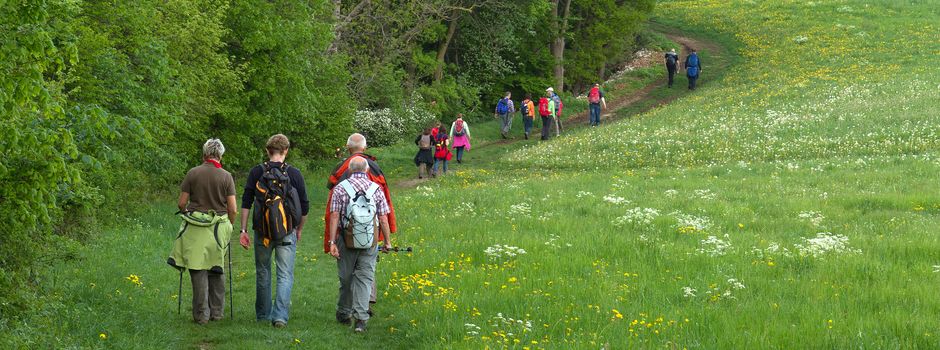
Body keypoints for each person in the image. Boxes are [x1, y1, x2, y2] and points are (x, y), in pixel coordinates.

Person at [238, 134, 309, 328]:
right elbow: (304, 205)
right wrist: (299, 229)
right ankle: (280, 317)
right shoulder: (294, 174)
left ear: (267, 151)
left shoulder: (257, 172)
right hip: (287, 232)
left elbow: (246, 202)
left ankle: (263, 315)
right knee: (285, 274)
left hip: (262, 231)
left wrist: (243, 229)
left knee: (263, 272)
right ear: (286, 151)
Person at [325, 133, 397, 312]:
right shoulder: (374, 169)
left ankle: (347, 309)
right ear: (364, 148)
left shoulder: (340, 169)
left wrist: (331, 239)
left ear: (348, 148)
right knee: (367, 267)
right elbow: (384, 203)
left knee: (348, 272)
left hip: (345, 231)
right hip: (370, 229)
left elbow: (332, 210)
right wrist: (386, 237)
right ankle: (366, 302)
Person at [168, 139, 237, 325]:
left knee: (197, 269)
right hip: (218, 227)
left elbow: (182, 203)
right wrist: (230, 225)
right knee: (217, 267)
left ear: (204, 154)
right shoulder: (226, 176)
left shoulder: (193, 173)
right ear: (220, 155)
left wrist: (187, 213)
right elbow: (232, 209)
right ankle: (217, 312)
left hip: (196, 227)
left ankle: (201, 315)